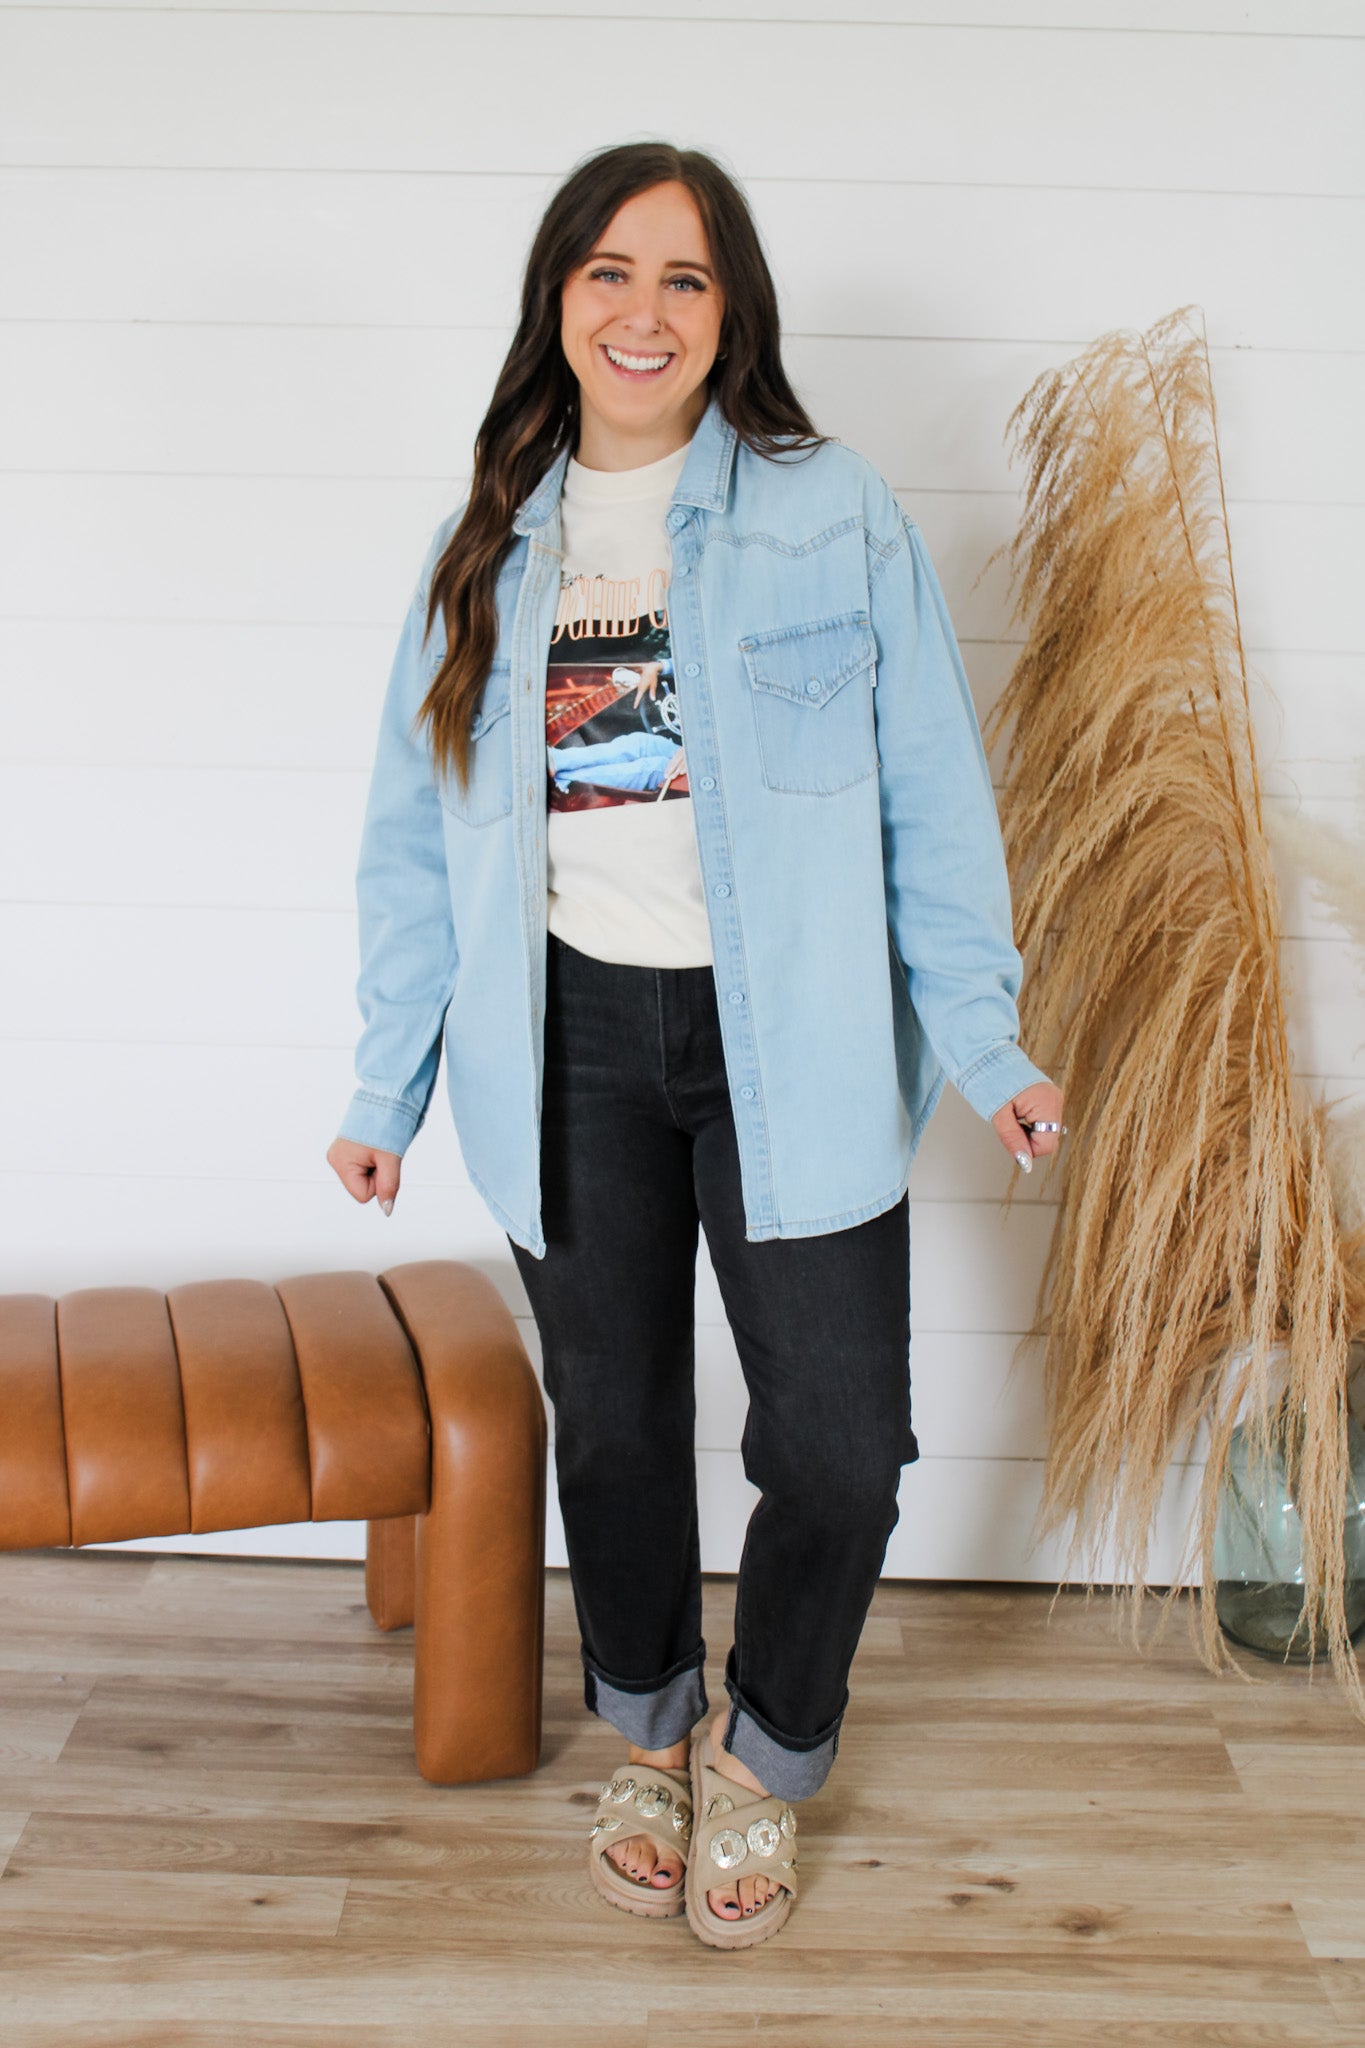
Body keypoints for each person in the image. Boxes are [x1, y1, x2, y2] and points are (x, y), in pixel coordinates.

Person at [326, 141, 1065, 1950]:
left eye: (683, 276)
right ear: (557, 302)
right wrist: (384, 1082)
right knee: (618, 1430)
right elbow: (415, 839)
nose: (642, 311)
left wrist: (985, 1044)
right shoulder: (489, 538)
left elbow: (929, 799)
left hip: (788, 1040)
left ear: (731, 313)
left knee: (843, 1445)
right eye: (608, 270)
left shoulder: (831, 511)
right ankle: (651, 1733)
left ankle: (768, 1748)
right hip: (564, 1034)